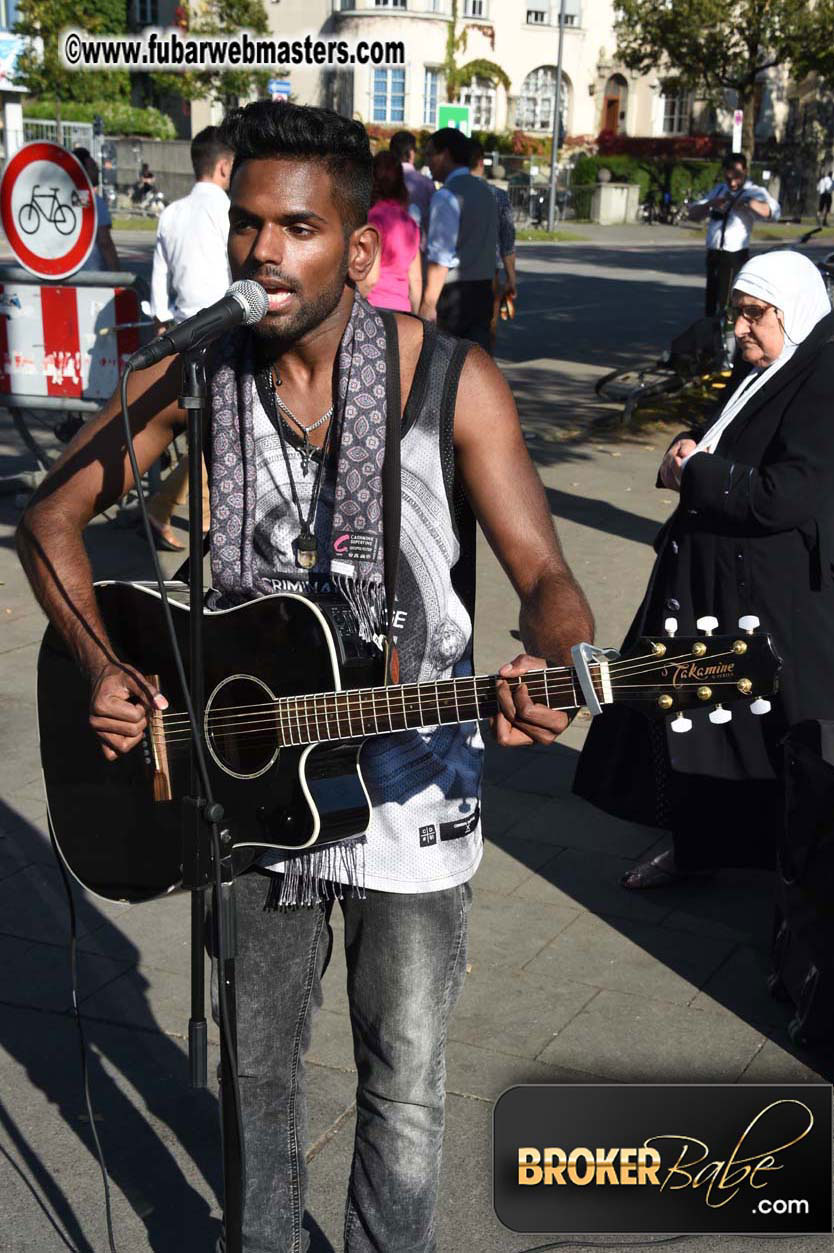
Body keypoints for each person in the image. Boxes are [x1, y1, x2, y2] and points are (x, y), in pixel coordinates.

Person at [17, 100, 594, 1252]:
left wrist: (561, 657)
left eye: (296, 227)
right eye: (246, 225)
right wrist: (101, 664)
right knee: (260, 1074)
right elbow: (51, 517)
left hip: (416, 779)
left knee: (405, 1080)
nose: (262, 253)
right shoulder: (201, 370)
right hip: (248, 788)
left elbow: (545, 571)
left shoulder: (452, 381)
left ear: (360, 249)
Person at [574, 250, 834, 891]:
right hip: (711, 587)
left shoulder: (821, 375)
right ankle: (696, 847)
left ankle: (792, 877)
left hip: (771, 605)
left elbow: (786, 495)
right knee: (689, 718)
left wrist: (696, 473)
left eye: (754, 315)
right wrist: (682, 449)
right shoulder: (767, 364)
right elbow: (720, 428)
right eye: (737, 314)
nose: (740, 328)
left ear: (792, 310)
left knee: (768, 734)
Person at [144, 126, 234, 550]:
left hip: (180, 333)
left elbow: (158, 275)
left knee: (202, 434)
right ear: (224, 166)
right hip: (224, 332)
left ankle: (171, 512)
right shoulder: (229, 213)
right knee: (213, 435)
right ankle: (196, 522)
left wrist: (162, 320)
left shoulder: (172, 213)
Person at [419, 127, 498, 350]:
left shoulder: (446, 196)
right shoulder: (487, 193)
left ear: (444, 154)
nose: (428, 162)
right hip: (483, 291)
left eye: (430, 155)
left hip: (452, 296)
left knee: (443, 369)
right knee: (475, 367)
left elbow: (440, 256)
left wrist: (428, 304)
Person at [688, 152, 780, 317]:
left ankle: (729, 339)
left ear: (745, 171)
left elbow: (773, 211)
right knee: (711, 303)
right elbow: (693, 214)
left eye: (737, 176)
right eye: (728, 177)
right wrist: (710, 204)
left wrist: (746, 203)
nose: (732, 182)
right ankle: (713, 337)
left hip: (734, 256)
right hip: (714, 254)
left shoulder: (753, 191)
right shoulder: (719, 189)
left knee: (728, 304)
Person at [468, 140, 517, 350]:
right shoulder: (498, 196)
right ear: (481, 161)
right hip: (490, 275)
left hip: (455, 274)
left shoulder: (450, 193)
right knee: (487, 330)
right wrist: (511, 279)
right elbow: (507, 242)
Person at [361, 150, 421, 313]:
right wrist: (414, 318)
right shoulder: (411, 224)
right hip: (402, 310)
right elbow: (415, 280)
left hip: (373, 309)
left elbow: (370, 279)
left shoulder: (371, 220)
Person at [71, 147, 120, 272]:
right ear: (82, 171)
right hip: (92, 273)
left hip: (66, 271)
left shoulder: (71, 198)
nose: (97, 171)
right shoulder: (94, 202)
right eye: (93, 167)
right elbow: (104, 242)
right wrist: (117, 275)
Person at [390, 128, 435, 244]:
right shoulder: (426, 184)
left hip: (388, 248)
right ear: (411, 153)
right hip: (417, 247)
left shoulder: (382, 180)